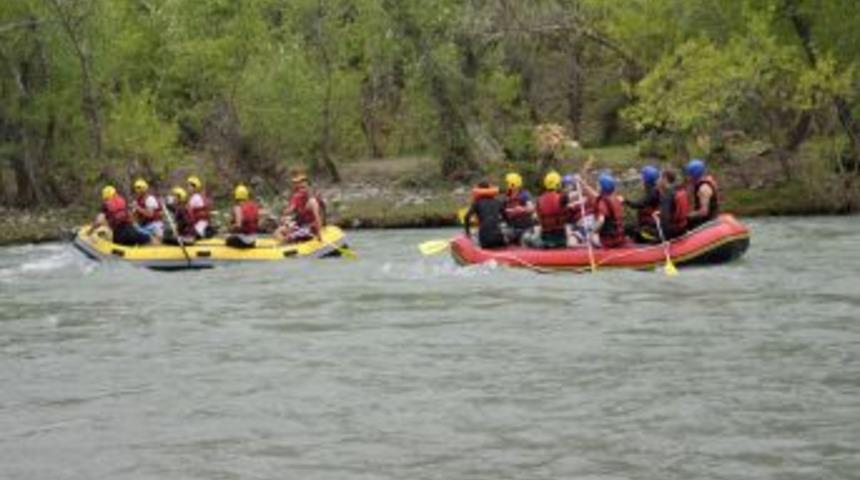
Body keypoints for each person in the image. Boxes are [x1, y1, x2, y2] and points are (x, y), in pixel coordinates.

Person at [273, 173, 326, 244]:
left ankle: (289, 243)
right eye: (299, 186)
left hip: (310, 228)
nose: (300, 188)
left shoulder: (312, 201)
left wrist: (319, 234)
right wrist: (285, 217)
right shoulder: (297, 198)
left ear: (308, 186)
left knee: (289, 236)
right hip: (301, 226)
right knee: (277, 232)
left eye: (303, 186)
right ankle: (285, 245)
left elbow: (318, 218)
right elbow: (290, 210)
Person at [464, 180, 507, 249]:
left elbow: (466, 217)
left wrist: (467, 232)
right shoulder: (498, 202)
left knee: (476, 237)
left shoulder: (477, 203)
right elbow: (506, 218)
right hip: (499, 238)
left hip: (485, 239)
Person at [623, 165, 661, 243]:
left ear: (646, 179)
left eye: (643, 178)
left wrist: (625, 201)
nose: (642, 180)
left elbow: (639, 204)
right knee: (630, 226)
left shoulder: (652, 193)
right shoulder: (653, 189)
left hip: (651, 225)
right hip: (649, 222)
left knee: (629, 229)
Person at [531, 171, 569, 249]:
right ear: (558, 184)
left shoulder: (539, 199)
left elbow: (538, 216)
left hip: (545, 238)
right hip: (560, 239)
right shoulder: (563, 198)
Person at [591, 173, 627, 248]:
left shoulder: (603, 202)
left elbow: (601, 220)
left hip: (608, 241)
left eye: (598, 185)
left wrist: (592, 233)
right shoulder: (617, 199)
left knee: (592, 238)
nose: (597, 186)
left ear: (602, 187)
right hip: (619, 239)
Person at [654, 169, 690, 240]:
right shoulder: (680, 189)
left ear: (665, 179)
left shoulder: (667, 195)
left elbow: (665, 220)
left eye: (659, 178)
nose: (658, 180)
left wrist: (663, 236)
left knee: (641, 232)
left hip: (673, 231)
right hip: (683, 227)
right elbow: (674, 208)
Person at [685, 158, 720, 229]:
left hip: (708, 221)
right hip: (708, 218)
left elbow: (704, 212)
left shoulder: (703, 188)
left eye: (689, 174)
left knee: (685, 223)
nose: (687, 177)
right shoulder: (701, 185)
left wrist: (688, 216)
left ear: (694, 174)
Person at [501, 172, 535, 245]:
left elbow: (531, 208)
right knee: (502, 236)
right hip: (511, 228)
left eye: (508, 183)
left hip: (525, 228)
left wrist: (522, 209)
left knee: (525, 240)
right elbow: (501, 211)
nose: (507, 185)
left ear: (513, 184)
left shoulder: (524, 194)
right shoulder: (506, 197)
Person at [226, 184, 260, 249]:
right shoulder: (253, 206)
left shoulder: (237, 208)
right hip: (253, 240)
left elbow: (238, 225)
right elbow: (257, 222)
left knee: (227, 239)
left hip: (242, 241)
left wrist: (230, 229)